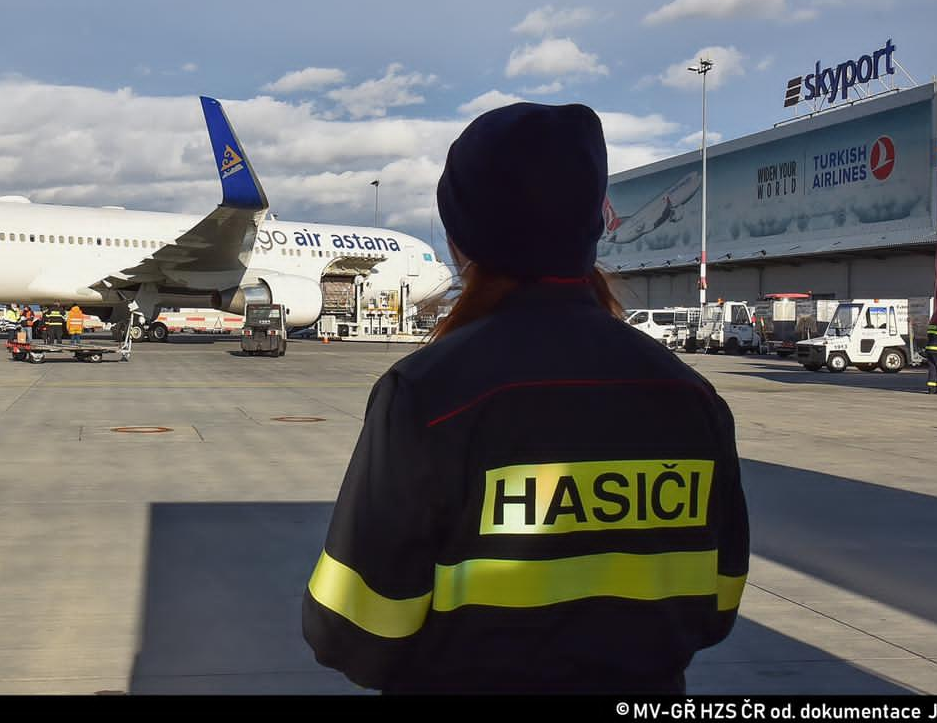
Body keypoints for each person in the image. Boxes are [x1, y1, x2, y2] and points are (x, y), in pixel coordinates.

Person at [302, 102, 749, 694]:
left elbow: (353, 628)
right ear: (592, 227)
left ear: (462, 240)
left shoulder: (427, 396)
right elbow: (717, 602)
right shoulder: (689, 396)